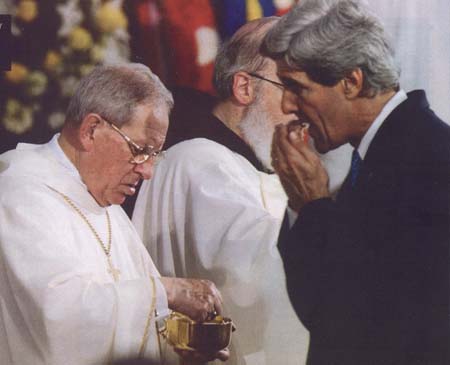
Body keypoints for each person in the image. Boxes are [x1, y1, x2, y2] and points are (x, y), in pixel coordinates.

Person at [133, 17, 337, 365]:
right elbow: (250, 278)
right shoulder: (196, 161)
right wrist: (318, 212)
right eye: (293, 89)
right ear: (245, 88)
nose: (304, 111)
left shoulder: (255, 166)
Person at [0, 64, 228, 365]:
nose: (147, 171)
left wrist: (178, 344)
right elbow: (59, 317)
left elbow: (131, 316)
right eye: (140, 150)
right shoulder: (22, 192)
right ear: (91, 130)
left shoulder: (101, 197)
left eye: (154, 156)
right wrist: (167, 290)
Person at [263, 1, 450, 364]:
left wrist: (314, 204)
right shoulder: (383, 152)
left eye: (296, 87)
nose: (286, 105)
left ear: (351, 81)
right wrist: (305, 203)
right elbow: (317, 309)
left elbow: (357, 322)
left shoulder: (429, 163)